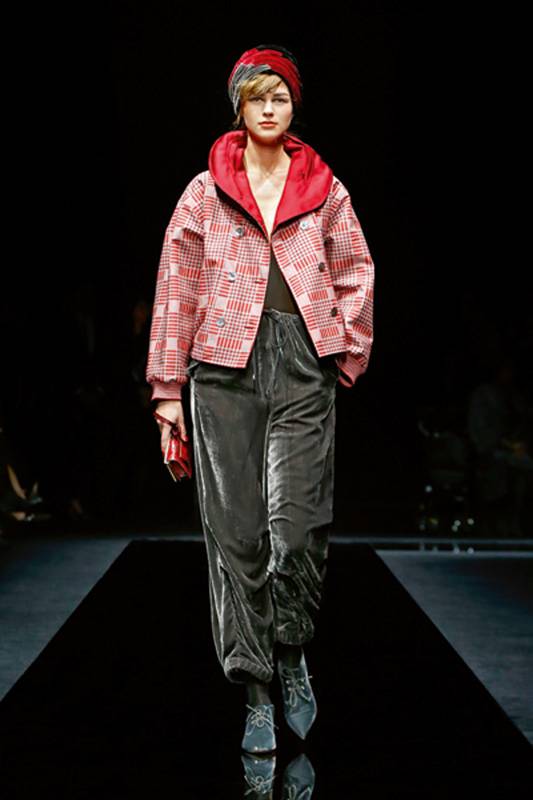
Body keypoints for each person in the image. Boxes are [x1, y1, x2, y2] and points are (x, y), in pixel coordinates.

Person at [145, 44, 375, 754]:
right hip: (221, 369)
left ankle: (292, 649)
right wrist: (167, 391)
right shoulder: (203, 191)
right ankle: (253, 692)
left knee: (296, 528)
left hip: (301, 362)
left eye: (279, 97)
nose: (269, 109)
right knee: (235, 538)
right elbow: (176, 287)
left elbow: (355, 267)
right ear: (238, 108)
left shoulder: (323, 186)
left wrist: (346, 350)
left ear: (293, 105)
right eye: (257, 98)